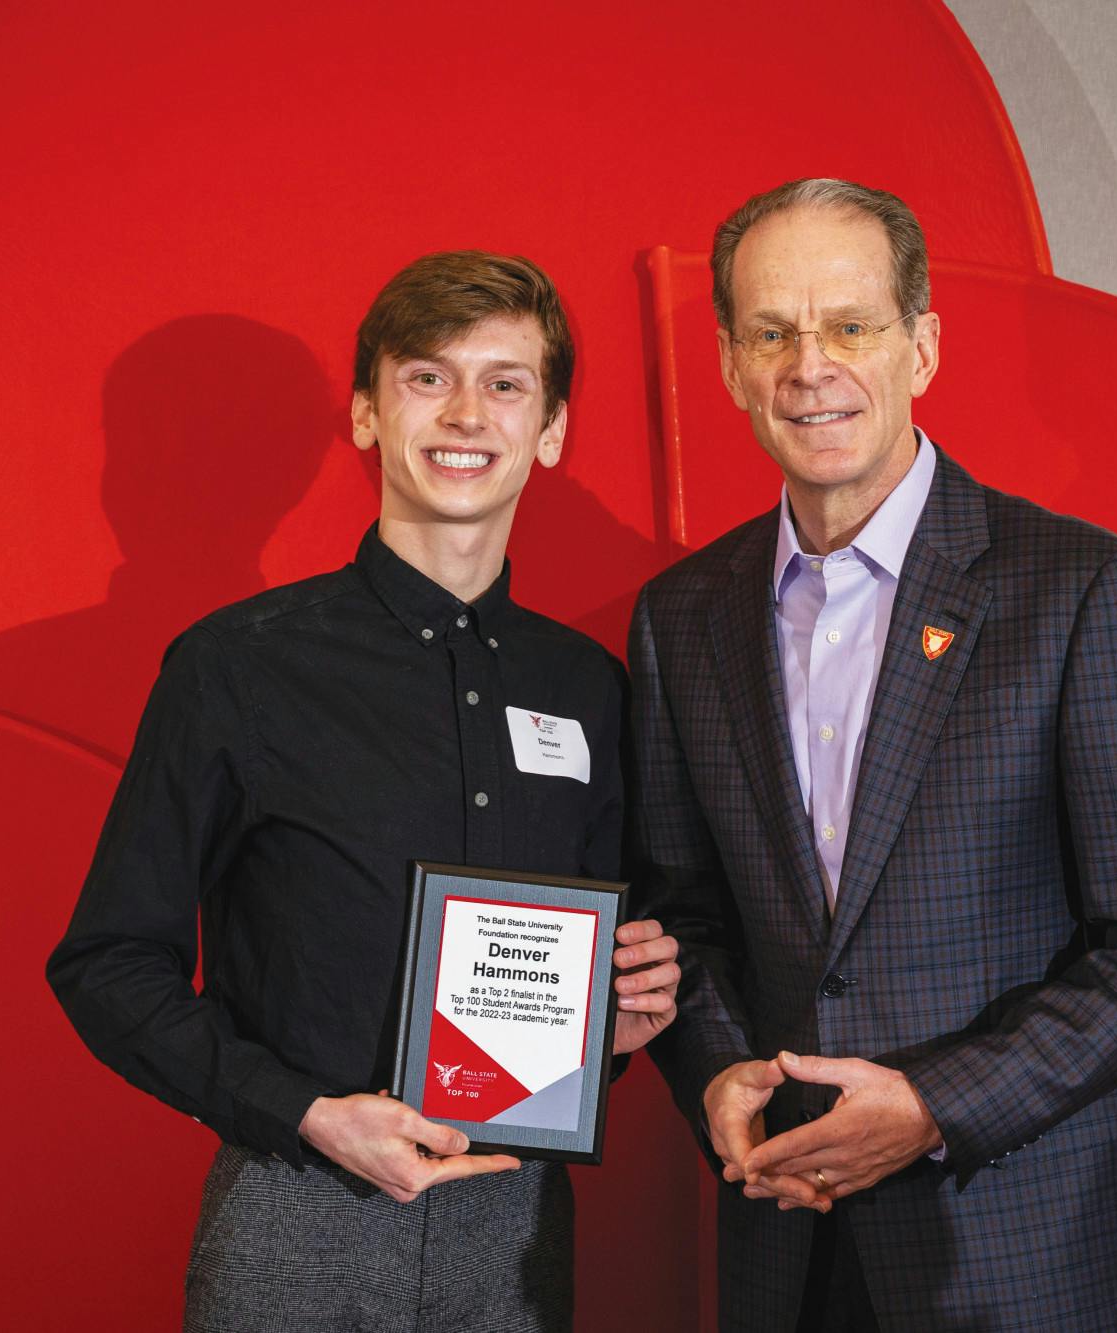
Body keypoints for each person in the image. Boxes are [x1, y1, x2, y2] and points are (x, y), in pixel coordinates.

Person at [628, 178, 1117, 1331]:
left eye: (850, 324)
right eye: (771, 332)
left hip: (1022, 1248)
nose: (810, 365)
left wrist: (931, 1103)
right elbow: (681, 916)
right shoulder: (680, 618)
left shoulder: (1079, 591)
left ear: (921, 346)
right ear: (728, 365)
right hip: (787, 1250)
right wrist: (715, 1074)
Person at [47, 250, 680, 1332]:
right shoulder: (236, 668)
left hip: (515, 1225)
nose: (465, 412)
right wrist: (304, 1114)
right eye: (427, 377)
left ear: (553, 428)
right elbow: (105, 964)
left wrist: (620, 1023)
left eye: (505, 381)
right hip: (297, 1212)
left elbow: (589, 957)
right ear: (364, 414)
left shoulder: (588, 689)